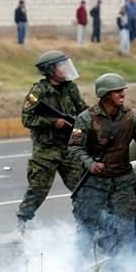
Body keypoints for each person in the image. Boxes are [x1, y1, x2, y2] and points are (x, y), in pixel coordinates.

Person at [68, 73, 136, 260]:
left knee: (125, 229)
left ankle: (124, 270)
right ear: (106, 94)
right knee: (87, 227)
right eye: (118, 91)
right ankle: (77, 269)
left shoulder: (131, 117)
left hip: (123, 183)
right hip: (94, 183)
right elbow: (75, 148)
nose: (122, 94)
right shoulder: (86, 119)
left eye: (122, 91)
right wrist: (90, 164)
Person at [16, 50, 88, 232]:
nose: (66, 68)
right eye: (61, 65)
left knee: (82, 189)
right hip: (46, 151)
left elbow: (83, 111)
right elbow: (27, 119)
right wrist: (52, 122)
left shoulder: (70, 88)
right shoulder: (38, 91)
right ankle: (22, 225)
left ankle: (86, 226)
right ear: (51, 70)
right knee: (37, 191)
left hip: (68, 148)